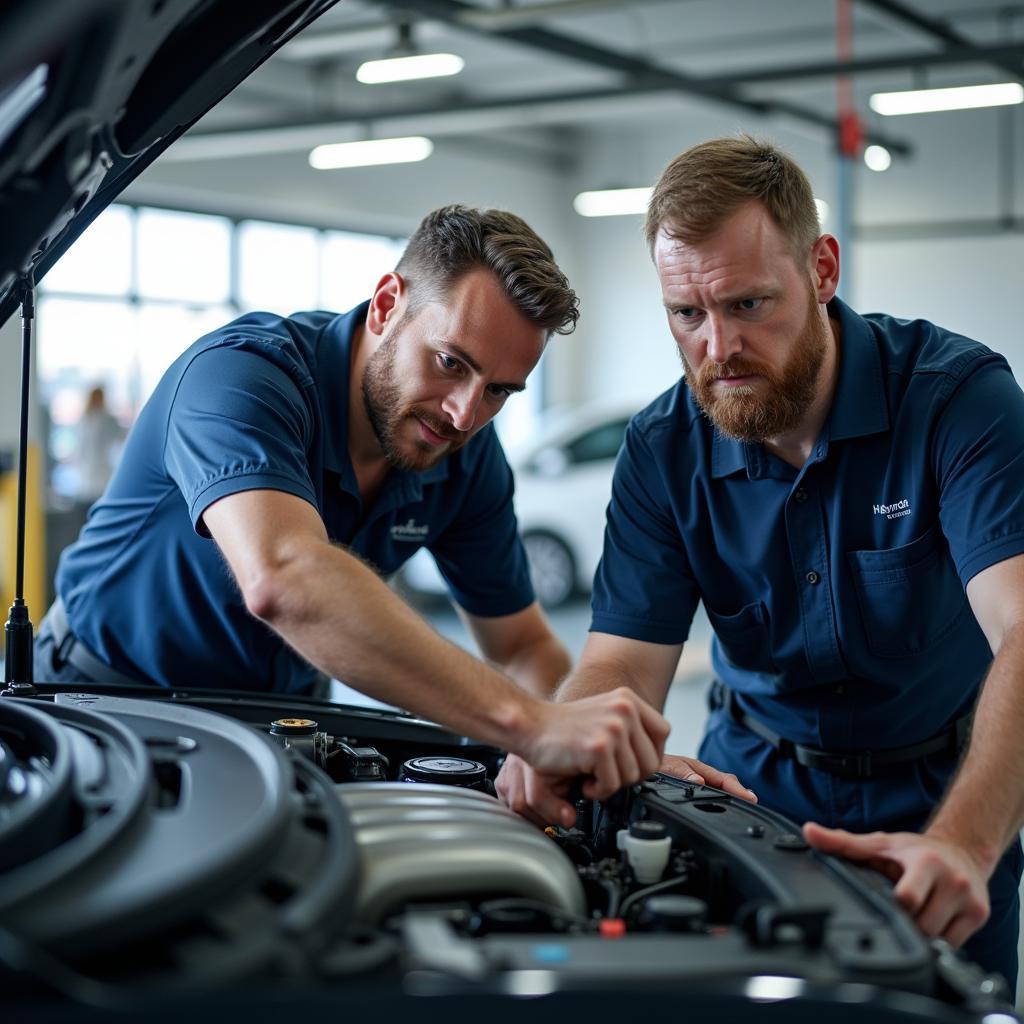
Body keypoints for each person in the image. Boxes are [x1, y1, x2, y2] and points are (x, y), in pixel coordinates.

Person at [497, 137, 1024, 988]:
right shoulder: (663, 449)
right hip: (749, 798)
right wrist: (560, 730)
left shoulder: (958, 402)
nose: (718, 348)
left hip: (944, 797)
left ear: (822, 268)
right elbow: (623, 661)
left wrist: (965, 842)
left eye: (748, 303)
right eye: (687, 315)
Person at [35, 204, 669, 800]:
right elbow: (284, 578)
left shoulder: (467, 454)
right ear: (388, 304)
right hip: (103, 706)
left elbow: (522, 646)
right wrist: (527, 724)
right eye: (450, 362)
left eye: (499, 391)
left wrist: (568, 748)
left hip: (280, 728)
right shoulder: (242, 377)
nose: (464, 413)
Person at [73, 384, 124, 504]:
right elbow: (81, 448)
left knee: (101, 498)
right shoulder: (85, 420)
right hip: (87, 471)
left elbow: (120, 439)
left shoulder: (109, 420)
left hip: (104, 470)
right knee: (88, 501)